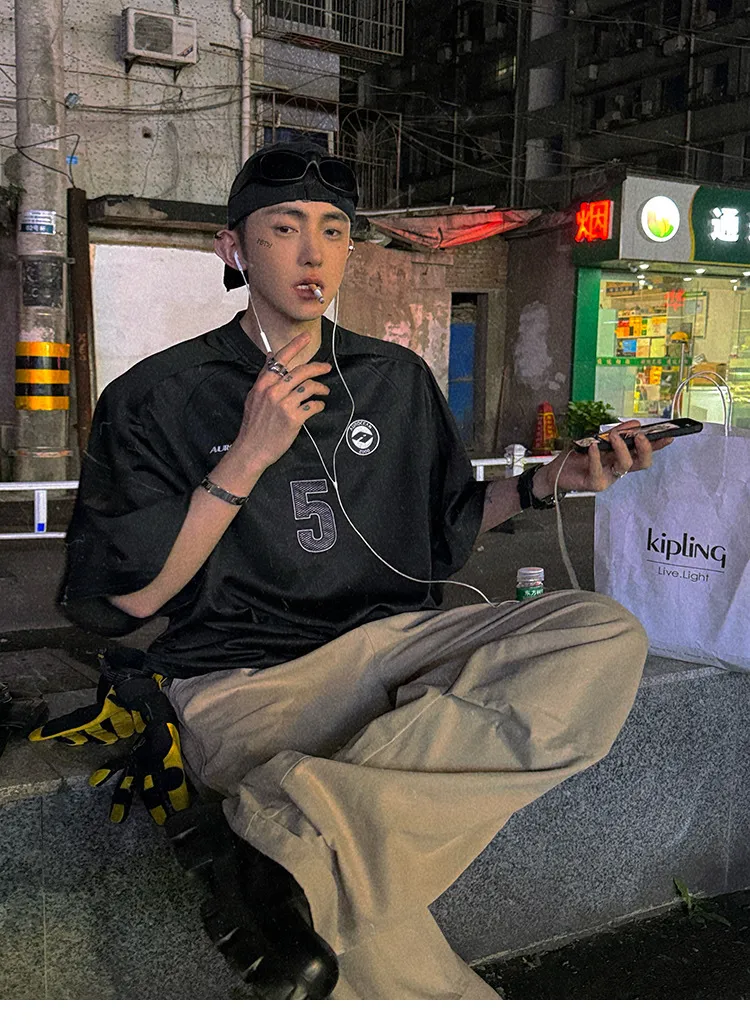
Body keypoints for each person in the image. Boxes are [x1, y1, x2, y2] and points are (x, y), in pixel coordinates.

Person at [48, 140, 668, 1000]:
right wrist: (247, 456)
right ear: (233, 249)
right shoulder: (160, 394)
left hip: (391, 652)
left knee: (600, 633)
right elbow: (127, 598)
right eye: (284, 227)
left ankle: (277, 847)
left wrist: (545, 481)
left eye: (334, 230)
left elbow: (442, 533)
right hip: (248, 680)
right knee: (400, 984)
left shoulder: (394, 379)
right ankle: (292, 863)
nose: (313, 253)